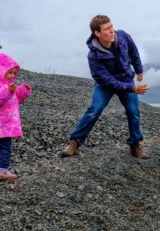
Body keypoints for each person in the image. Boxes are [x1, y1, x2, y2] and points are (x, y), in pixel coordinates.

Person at [61, 14, 150, 159]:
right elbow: (107, 81)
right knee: (94, 110)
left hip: (126, 79)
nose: (112, 31)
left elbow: (134, 52)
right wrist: (132, 89)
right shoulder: (93, 56)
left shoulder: (123, 36)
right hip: (105, 85)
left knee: (133, 112)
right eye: (107, 29)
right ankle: (74, 143)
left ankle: (135, 145)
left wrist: (138, 69)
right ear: (97, 33)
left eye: (112, 27)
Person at [0, 52, 32, 181]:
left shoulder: (6, 85)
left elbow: (15, 99)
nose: (12, 76)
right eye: (9, 72)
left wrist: (22, 90)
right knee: (4, 148)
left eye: (14, 73)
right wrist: (8, 90)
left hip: (1, 125)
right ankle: (2, 171)